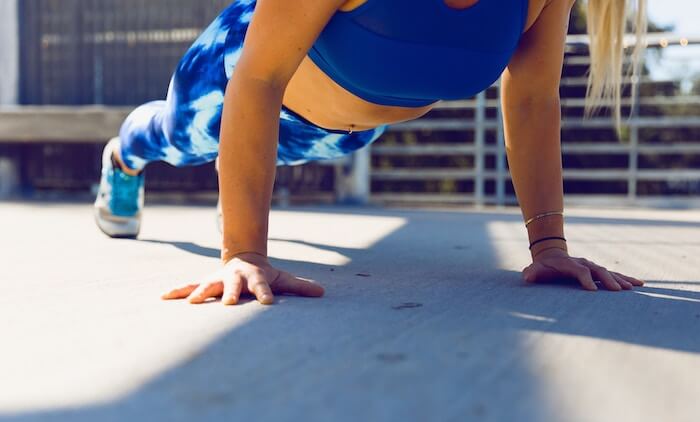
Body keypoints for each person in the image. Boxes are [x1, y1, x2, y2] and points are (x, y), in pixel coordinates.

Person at [94, 0, 648, 305]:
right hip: (233, 78)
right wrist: (246, 253)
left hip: (342, 134)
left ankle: (235, 182)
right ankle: (122, 159)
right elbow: (259, 79)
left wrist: (549, 245)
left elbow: (530, 100)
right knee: (174, 138)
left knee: (258, 159)